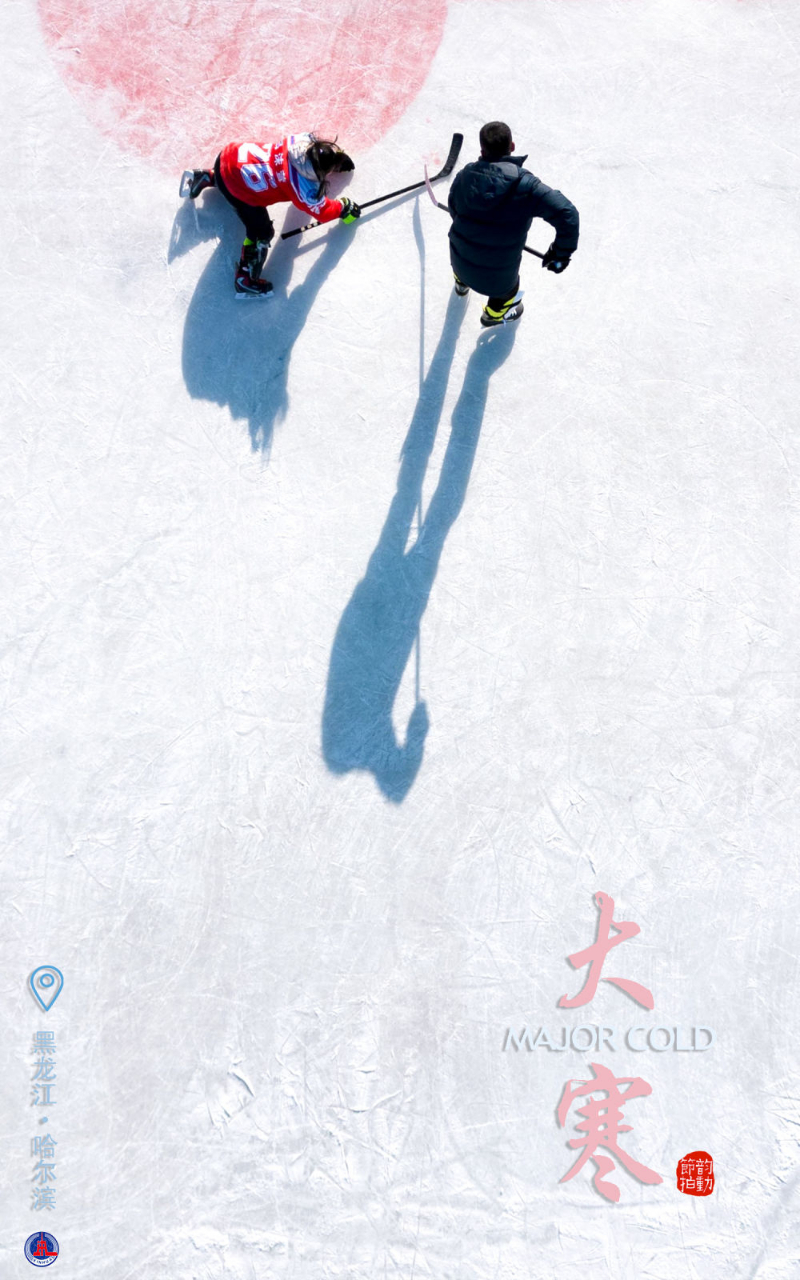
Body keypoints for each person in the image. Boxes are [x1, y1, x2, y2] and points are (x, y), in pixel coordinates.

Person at [184, 133, 361, 296]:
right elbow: (323, 212)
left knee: (241, 174)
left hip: (228, 156)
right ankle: (245, 279)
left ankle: (209, 177)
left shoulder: (300, 140)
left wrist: (335, 160)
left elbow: (316, 151)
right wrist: (344, 207)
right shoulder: (303, 187)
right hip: (236, 188)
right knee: (261, 233)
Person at [448, 121, 579, 327]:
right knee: (507, 291)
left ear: (482, 150)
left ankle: (461, 285)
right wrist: (560, 254)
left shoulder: (464, 176)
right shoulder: (526, 187)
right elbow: (566, 213)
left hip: (459, 261)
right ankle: (493, 315)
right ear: (512, 146)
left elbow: (453, 207)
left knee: (466, 263)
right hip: (499, 280)